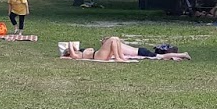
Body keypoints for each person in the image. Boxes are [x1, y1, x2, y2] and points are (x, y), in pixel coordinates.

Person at [60, 38, 191, 61]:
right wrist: (70, 45)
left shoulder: (82, 53)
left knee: (160, 57)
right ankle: (180, 55)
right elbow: (71, 51)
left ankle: (181, 55)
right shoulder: (76, 56)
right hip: (98, 56)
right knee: (160, 57)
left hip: (140, 52)